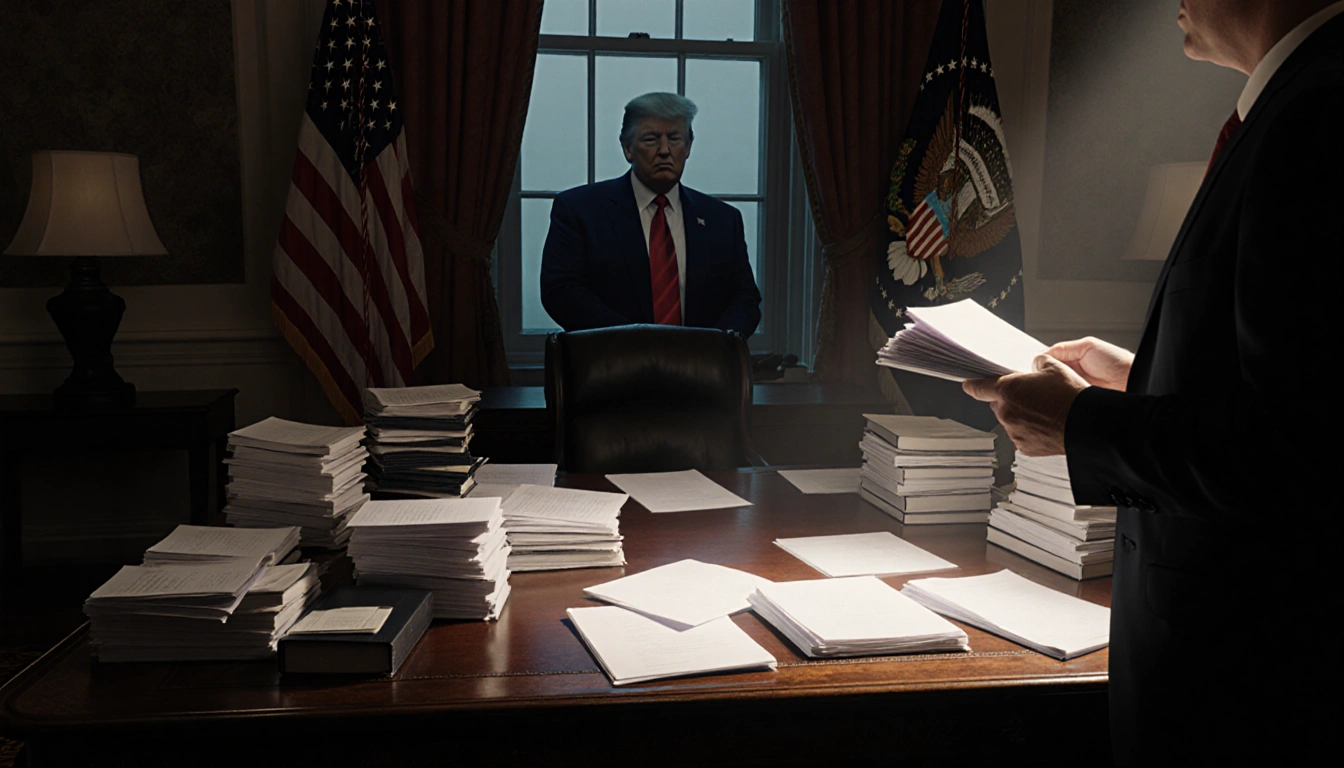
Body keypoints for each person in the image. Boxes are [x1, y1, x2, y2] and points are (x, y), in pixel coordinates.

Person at [962, 1, 1343, 763]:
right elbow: (1300, 380)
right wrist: (1142, 378)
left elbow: (1304, 451)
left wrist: (1082, 425)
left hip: (1255, 681)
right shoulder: (1295, 99)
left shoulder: (1322, 113)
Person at [539, 92, 762, 336]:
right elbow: (560, 290)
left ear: (688, 147)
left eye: (674, 139)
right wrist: (637, 342)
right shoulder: (580, 210)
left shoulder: (723, 220)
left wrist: (711, 347)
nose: (665, 150)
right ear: (628, 148)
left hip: (702, 359)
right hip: (611, 356)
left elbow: (745, 299)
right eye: (651, 139)